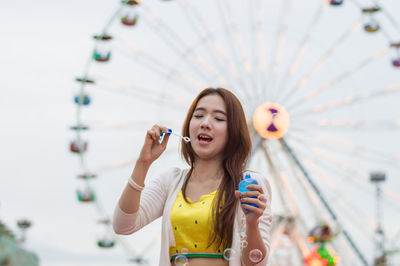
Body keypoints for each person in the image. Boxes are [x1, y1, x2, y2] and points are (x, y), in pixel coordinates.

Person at [113, 88, 272, 266]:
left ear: (234, 131)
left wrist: (252, 224)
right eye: (198, 116)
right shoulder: (171, 182)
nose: (205, 123)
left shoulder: (247, 185)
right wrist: (143, 162)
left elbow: (256, 262)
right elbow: (123, 225)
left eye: (218, 118)